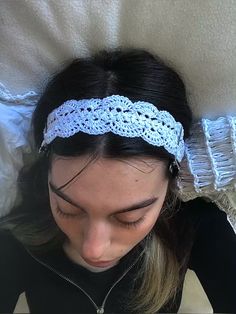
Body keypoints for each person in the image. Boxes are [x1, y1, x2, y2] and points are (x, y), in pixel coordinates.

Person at [0, 47, 235, 314]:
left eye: (130, 218)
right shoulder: (17, 239)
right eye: (67, 209)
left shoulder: (193, 227)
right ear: (47, 175)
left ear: (170, 183)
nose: (93, 249)